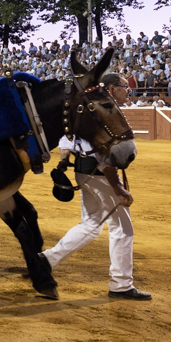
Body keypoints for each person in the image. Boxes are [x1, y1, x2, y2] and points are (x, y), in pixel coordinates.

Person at [38, 73, 151, 301]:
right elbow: (103, 154)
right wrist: (118, 187)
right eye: (123, 86)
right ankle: (121, 284)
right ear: (111, 89)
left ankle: (46, 260)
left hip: (83, 172)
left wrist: (63, 161)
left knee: (91, 224)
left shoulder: (85, 107)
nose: (127, 90)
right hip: (99, 173)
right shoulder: (100, 112)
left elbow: (66, 139)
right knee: (122, 229)